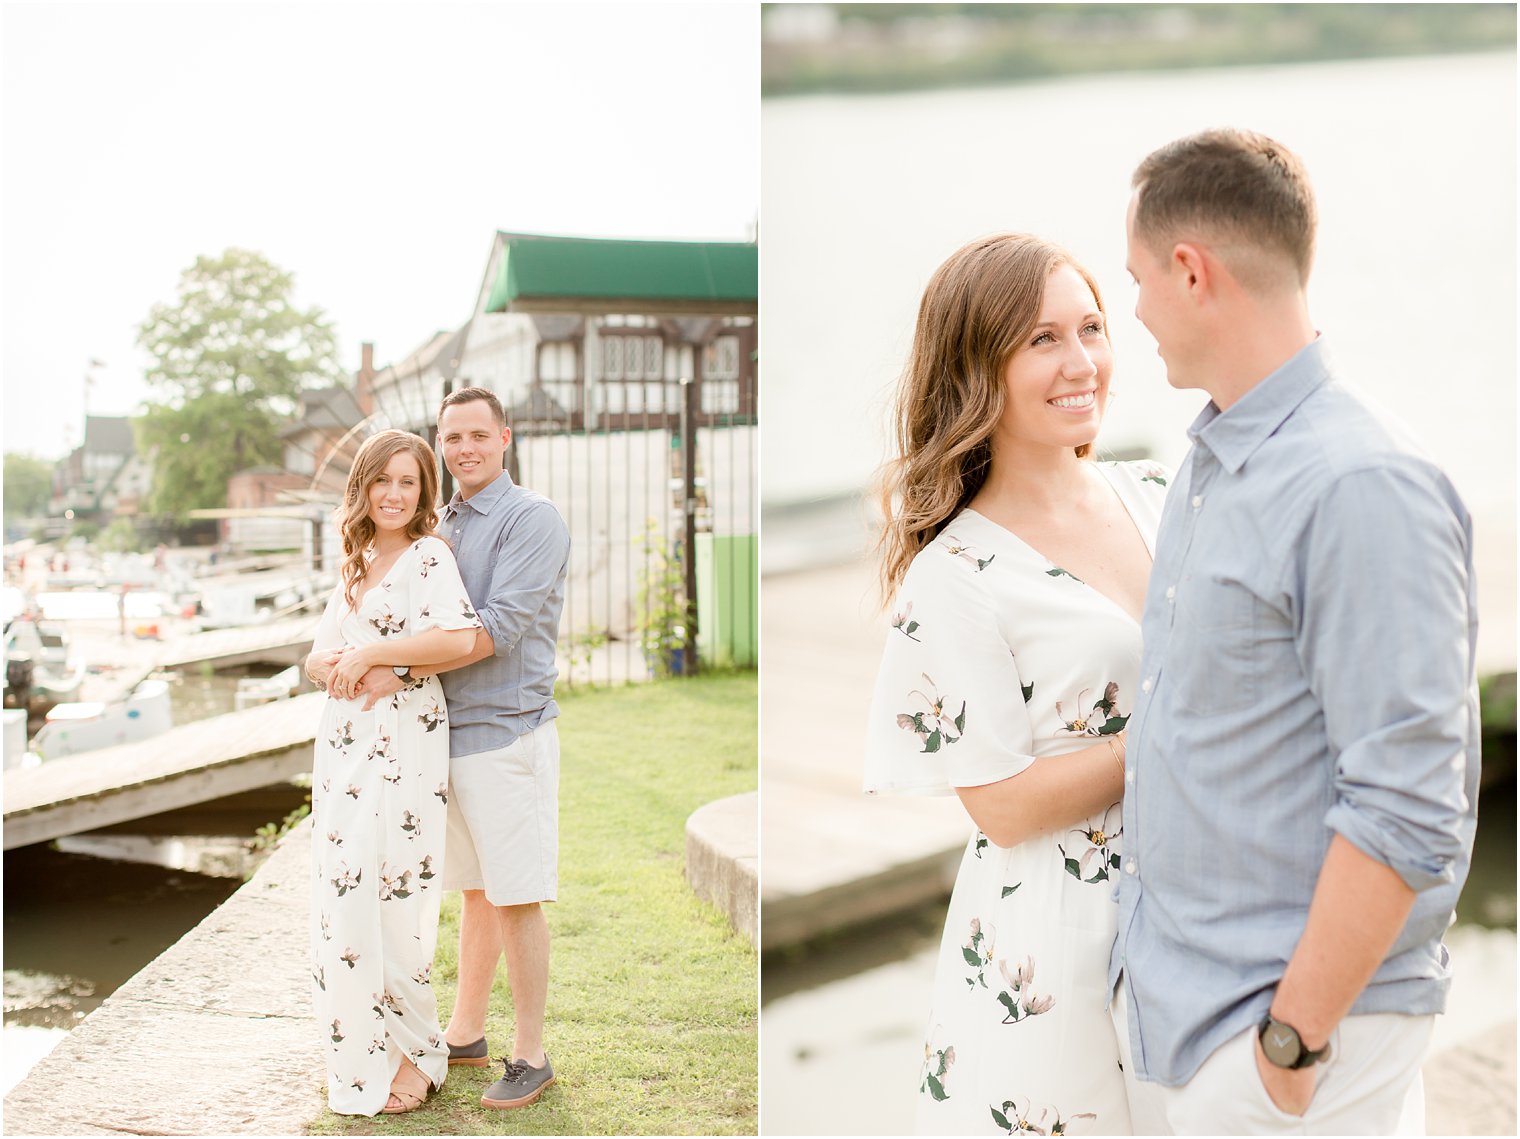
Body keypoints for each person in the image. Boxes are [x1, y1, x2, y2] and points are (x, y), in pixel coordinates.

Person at [1108, 128, 1480, 1136]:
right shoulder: (1205, 465)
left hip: (1280, 1050)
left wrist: (1287, 1044)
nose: (1131, 309)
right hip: (1186, 1028)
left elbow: (1407, 799)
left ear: (1190, 271)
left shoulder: (1359, 483)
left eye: (1137, 278)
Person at [865, 233, 1170, 1135]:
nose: (1083, 363)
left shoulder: (1160, 488)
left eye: (1092, 328)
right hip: (1059, 933)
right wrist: (1163, 732)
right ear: (975, 366)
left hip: (1199, 894)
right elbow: (997, 803)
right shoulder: (953, 572)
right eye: (1042, 339)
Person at [324, 387, 570, 1110]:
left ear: (505, 437)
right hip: (443, 738)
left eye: (477, 435)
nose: (464, 449)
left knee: (517, 892)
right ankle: (463, 1031)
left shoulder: (534, 520)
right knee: (473, 889)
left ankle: (530, 1054)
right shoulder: (445, 524)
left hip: (507, 732)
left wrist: (390, 663)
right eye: (451, 437)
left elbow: (492, 629)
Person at [303, 429, 482, 1116]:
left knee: (395, 890)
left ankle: (417, 1049)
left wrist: (377, 654)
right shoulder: (355, 560)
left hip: (405, 736)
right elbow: (319, 656)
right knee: (344, 891)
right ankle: (362, 1042)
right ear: (364, 487)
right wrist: (346, 665)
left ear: (422, 491)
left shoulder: (429, 556)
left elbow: (458, 636)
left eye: (408, 481)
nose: (394, 493)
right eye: (383, 480)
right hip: (344, 744)